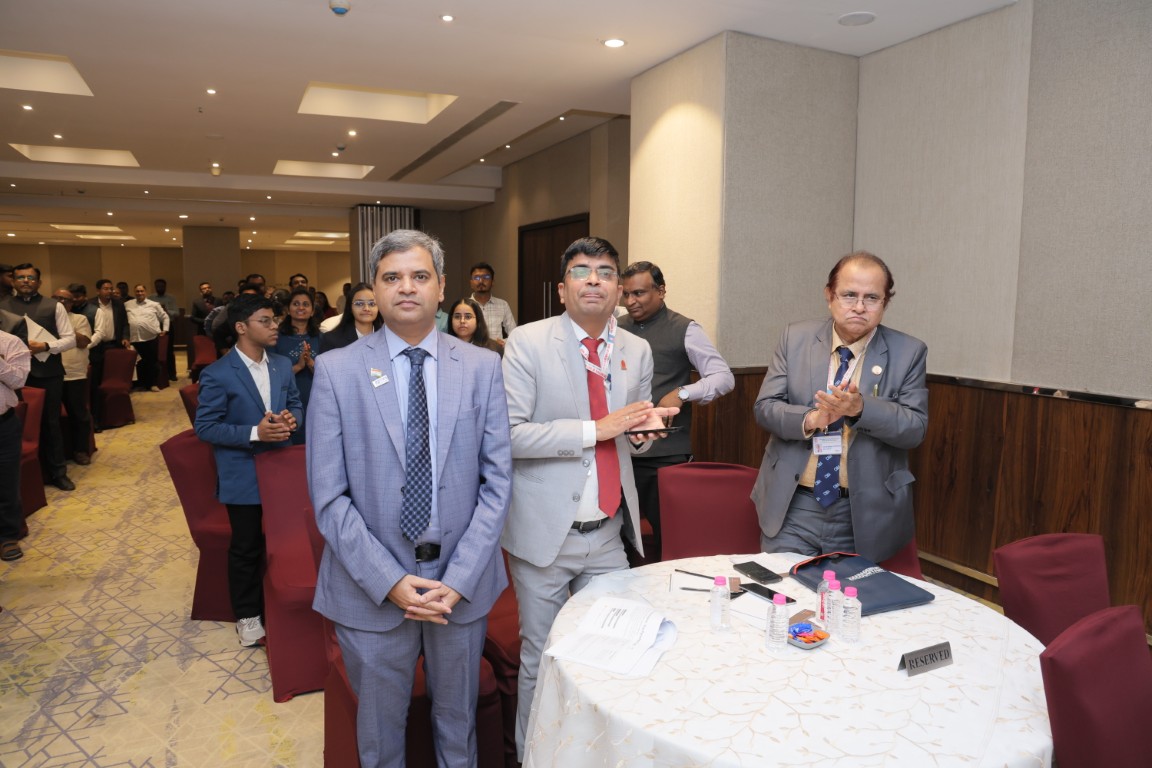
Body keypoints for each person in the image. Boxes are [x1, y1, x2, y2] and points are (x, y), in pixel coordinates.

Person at [308, 229, 512, 767]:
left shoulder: (483, 367)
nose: (406, 287)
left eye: (420, 276)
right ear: (373, 289)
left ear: (441, 288)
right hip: (370, 591)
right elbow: (329, 497)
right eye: (391, 277)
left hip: (458, 588)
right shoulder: (336, 370)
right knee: (380, 740)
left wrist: (459, 579)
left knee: (458, 729)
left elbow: (497, 484)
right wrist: (390, 582)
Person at [500, 236, 677, 758]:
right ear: (562, 289)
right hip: (544, 534)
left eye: (605, 271)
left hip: (607, 532)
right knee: (543, 656)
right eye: (581, 271)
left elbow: (630, 431)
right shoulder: (528, 342)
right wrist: (594, 430)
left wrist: (643, 432)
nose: (594, 280)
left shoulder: (636, 350)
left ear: (619, 289)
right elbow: (510, 435)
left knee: (613, 649)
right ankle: (533, 756)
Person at [751, 251, 928, 563]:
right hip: (794, 504)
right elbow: (765, 407)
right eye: (849, 295)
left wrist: (860, 409)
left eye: (871, 298)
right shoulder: (795, 338)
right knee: (785, 588)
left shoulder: (909, 352)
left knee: (848, 594)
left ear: (885, 302)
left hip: (862, 512)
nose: (859, 307)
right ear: (829, 295)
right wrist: (811, 418)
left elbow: (914, 429)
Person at [195, 294, 301, 647]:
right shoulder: (218, 373)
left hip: (281, 468)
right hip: (243, 472)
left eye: (275, 320)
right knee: (246, 546)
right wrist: (256, 433)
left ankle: (284, 605)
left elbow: (296, 404)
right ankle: (248, 615)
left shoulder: (282, 364)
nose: (275, 326)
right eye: (265, 321)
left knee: (286, 541)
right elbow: (206, 427)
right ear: (241, 327)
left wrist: (292, 420)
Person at [617, 261, 734, 560]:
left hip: (665, 456)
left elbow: (723, 378)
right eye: (626, 294)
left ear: (661, 291)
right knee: (617, 539)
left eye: (639, 293)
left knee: (669, 538)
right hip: (618, 452)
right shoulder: (615, 327)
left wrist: (682, 393)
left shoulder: (684, 328)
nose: (631, 301)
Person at [0, 264, 77, 491]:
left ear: (39, 282)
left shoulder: (54, 306)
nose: (25, 281)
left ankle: (57, 472)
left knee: (50, 423)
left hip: (47, 373)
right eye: (20, 277)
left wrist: (45, 346)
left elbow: (70, 339)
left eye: (31, 277)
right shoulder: (3, 306)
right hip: (9, 376)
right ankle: (26, 476)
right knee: (18, 425)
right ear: (13, 281)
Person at [77, 279, 131, 430]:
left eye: (111, 288)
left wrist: (125, 337)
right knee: (96, 382)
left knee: (113, 382)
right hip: (96, 348)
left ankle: (112, 416)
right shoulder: (90, 305)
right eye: (105, 288)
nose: (109, 291)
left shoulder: (118, 304)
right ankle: (96, 419)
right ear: (98, 291)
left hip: (115, 345)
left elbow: (125, 324)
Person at [52, 289, 94, 466]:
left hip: (74, 374)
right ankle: (56, 455)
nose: (61, 302)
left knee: (78, 414)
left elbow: (84, 342)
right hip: (50, 374)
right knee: (51, 417)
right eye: (57, 298)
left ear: (72, 304)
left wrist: (63, 326)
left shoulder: (79, 319)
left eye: (65, 300)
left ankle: (81, 450)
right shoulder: (45, 319)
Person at [274, 287, 320, 445]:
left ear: (312, 311)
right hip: (286, 400)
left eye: (306, 304)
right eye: (296, 304)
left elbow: (331, 375)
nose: (301, 307)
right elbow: (271, 376)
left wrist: (311, 364)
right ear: (288, 309)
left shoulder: (322, 338)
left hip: (316, 398)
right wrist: (299, 366)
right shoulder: (275, 338)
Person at [0, 327, 31, 561]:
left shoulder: (10, 343)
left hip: (3, 426)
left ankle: (7, 536)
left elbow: (19, 380)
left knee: (6, 482)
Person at [126, 284, 170, 392]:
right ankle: (139, 384)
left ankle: (152, 384)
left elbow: (165, 317)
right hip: (134, 338)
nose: (139, 293)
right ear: (134, 292)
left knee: (152, 362)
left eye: (141, 291)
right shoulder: (127, 304)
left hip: (150, 338)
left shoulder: (154, 304)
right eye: (137, 291)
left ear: (145, 292)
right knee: (137, 363)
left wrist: (165, 329)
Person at [317, 281, 380, 354]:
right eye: (359, 304)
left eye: (372, 304)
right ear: (350, 307)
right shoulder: (331, 340)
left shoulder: (387, 336)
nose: (366, 308)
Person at [469, 262, 516, 345]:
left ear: (492, 282)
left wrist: (502, 342)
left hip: (496, 351)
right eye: (476, 277)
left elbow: (514, 333)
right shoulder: (465, 306)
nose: (481, 281)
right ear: (471, 283)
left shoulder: (503, 305)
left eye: (486, 277)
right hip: (471, 351)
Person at [150, 278, 179, 381]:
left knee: (169, 350)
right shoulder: (150, 298)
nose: (160, 288)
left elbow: (177, 313)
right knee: (155, 351)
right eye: (158, 286)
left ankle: (172, 374)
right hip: (154, 326)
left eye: (161, 286)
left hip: (168, 326)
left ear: (165, 287)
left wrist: (166, 311)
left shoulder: (171, 298)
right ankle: (158, 375)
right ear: (155, 287)